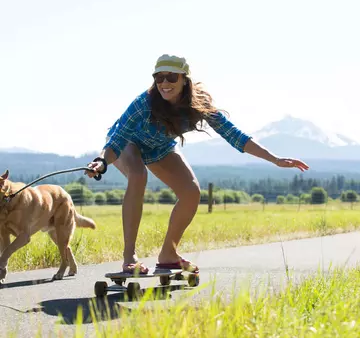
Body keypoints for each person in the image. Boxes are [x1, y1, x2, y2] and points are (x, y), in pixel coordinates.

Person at [85, 54, 309, 274]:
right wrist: (101, 161)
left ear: (185, 79)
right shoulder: (143, 103)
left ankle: (168, 254)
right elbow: (117, 140)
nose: (164, 83)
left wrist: (275, 159)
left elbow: (233, 135)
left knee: (191, 191)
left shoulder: (198, 103)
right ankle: (129, 258)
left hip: (160, 148)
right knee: (138, 176)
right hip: (128, 144)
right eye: (159, 77)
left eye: (171, 77)